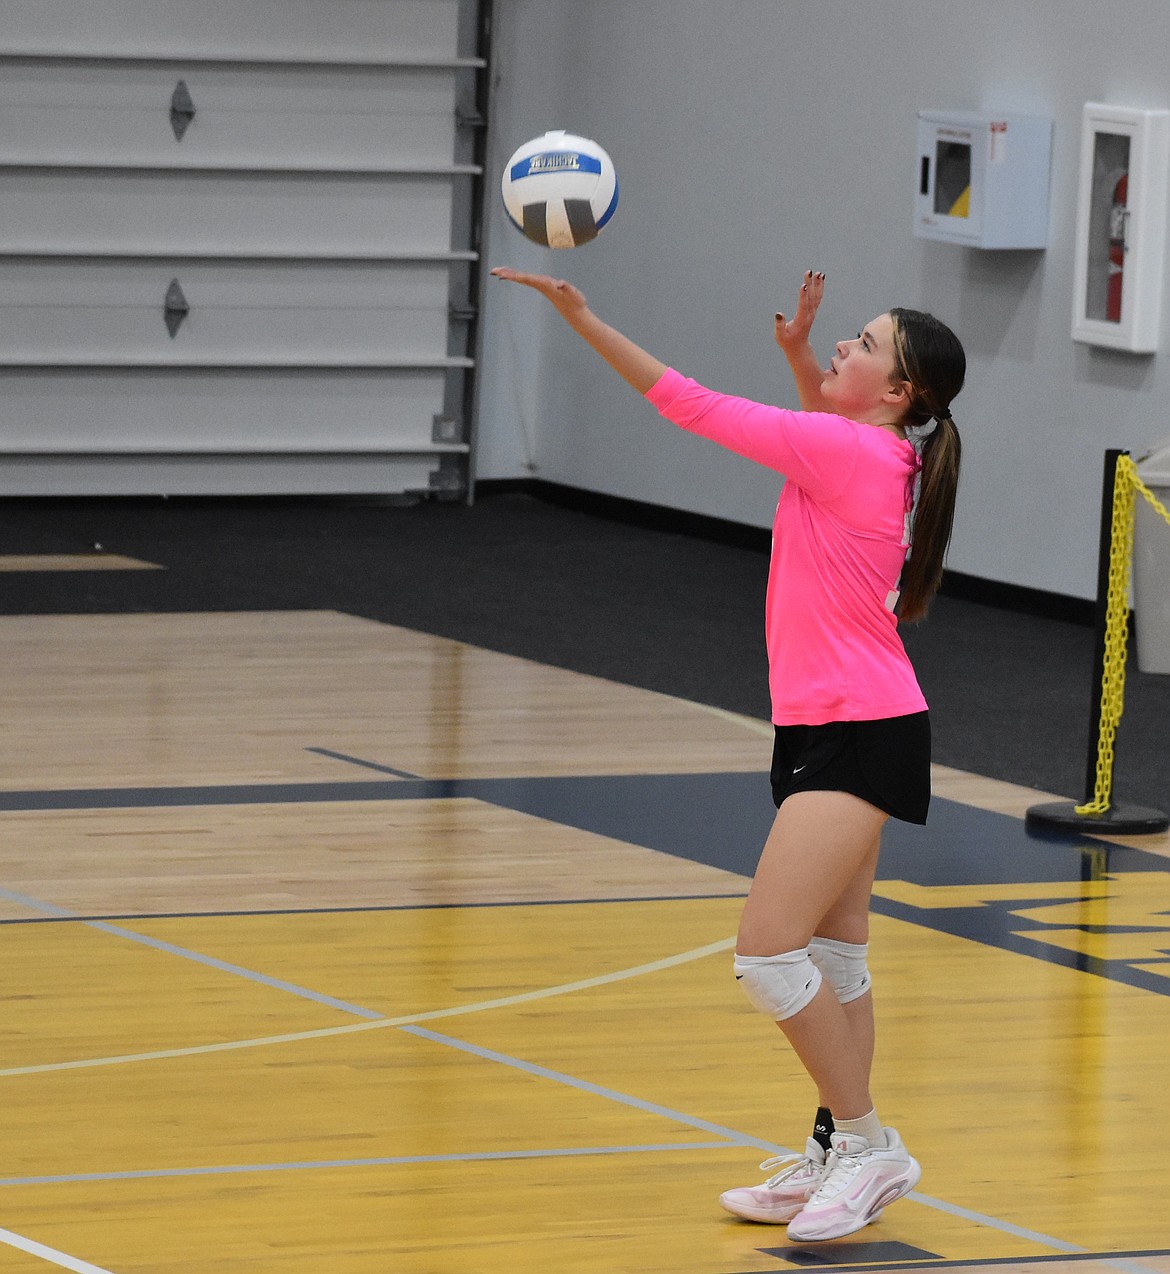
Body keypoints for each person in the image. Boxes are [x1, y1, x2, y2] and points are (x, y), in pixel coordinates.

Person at [490, 264, 965, 1242]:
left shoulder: (851, 452)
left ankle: (871, 1144)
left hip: (859, 728)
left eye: (864, 344)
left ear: (898, 393)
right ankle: (838, 1147)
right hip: (838, 720)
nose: (847, 343)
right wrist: (801, 359)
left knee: (765, 953)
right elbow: (821, 449)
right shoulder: (878, 456)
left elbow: (688, 403)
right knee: (834, 952)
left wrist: (582, 316)